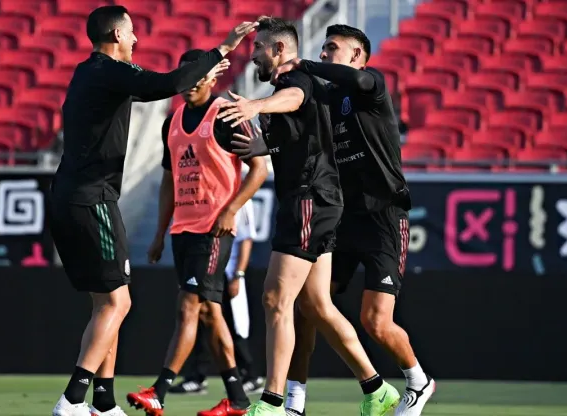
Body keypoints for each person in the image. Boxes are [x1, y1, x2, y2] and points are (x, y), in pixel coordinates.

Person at [48, 5, 256, 416]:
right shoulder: (109, 70)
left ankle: (103, 403)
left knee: (107, 303)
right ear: (115, 36)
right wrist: (223, 49)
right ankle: (73, 399)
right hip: (92, 198)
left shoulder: (86, 72)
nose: (137, 39)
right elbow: (172, 82)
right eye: (131, 32)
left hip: (69, 195)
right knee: (118, 304)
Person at [218, 17, 400, 416]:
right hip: (318, 199)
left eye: (260, 48)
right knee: (317, 305)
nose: (253, 57)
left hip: (308, 198)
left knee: (275, 299)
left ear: (279, 50)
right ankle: (377, 389)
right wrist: (260, 147)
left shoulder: (293, 82)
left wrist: (256, 105)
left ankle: (270, 403)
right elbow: (300, 135)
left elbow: (295, 100)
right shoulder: (301, 87)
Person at [273, 25, 435, 416]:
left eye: (334, 48)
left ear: (358, 56)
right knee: (307, 304)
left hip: (383, 217)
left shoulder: (371, 85)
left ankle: (418, 381)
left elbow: (357, 79)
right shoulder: (325, 97)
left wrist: (306, 64)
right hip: (342, 216)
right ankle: (294, 401)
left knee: (375, 321)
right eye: (323, 48)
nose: (326, 53)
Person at [125, 48, 268, 416]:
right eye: (184, 77)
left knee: (188, 306)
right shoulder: (170, 122)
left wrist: (231, 210)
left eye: (196, 77)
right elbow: (169, 181)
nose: (189, 84)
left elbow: (259, 170)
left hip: (214, 230)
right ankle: (237, 399)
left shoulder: (225, 114)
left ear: (211, 77)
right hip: (183, 230)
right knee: (210, 313)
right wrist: (159, 233)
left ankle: (159, 391)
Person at [168, 198, 265, 395]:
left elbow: (246, 238)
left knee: (233, 326)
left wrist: (238, 274)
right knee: (201, 323)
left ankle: (250, 375)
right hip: (207, 270)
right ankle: (196, 377)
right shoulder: (209, 192)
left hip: (229, 274)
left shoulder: (241, 197)